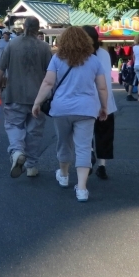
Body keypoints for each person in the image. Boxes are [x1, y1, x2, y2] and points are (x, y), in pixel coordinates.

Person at [31, 26, 109, 202]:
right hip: (87, 109)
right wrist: (104, 107)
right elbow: (102, 87)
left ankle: (64, 175)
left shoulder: (57, 59)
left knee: (63, 143)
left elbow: (48, 83)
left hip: (61, 108)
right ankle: (82, 188)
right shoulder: (94, 60)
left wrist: (37, 102)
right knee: (83, 147)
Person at [0, 16, 52, 179]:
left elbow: (0, 68)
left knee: (13, 125)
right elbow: (51, 72)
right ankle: (31, 166)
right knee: (35, 132)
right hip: (38, 96)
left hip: (15, 93)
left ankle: (17, 151)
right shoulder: (44, 47)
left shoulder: (12, 44)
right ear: (38, 28)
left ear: (24, 26)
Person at [81, 26, 117, 180]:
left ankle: (88, 156)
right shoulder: (104, 54)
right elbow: (106, 81)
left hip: (85, 101)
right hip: (106, 101)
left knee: (84, 134)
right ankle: (102, 166)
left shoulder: (79, 56)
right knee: (105, 136)